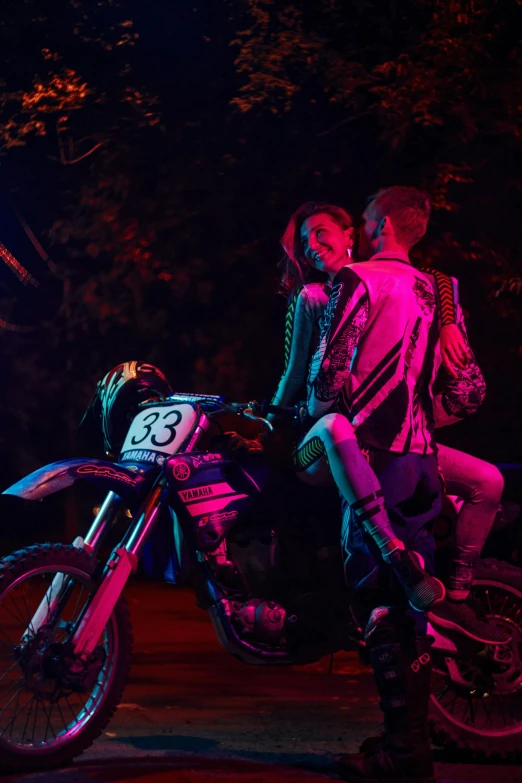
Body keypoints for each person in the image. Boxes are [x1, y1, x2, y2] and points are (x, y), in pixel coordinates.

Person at [290, 187, 494, 783]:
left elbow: (329, 373)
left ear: (375, 225)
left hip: (371, 455)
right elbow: (470, 391)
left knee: (379, 602)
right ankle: (409, 746)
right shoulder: (442, 290)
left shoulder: (359, 281)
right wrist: (425, 419)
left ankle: (403, 755)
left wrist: (319, 409)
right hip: (422, 461)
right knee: (412, 610)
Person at [273, 200, 509, 646]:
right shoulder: (315, 296)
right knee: (336, 429)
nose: (311, 246)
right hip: (335, 438)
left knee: (486, 479)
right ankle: (394, 561)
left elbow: (330, 374)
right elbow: (296, 373)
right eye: (304, 241)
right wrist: (275, 418)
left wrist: (416, 412)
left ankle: (449, 590)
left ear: (353, 234)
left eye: (322, 232)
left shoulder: (377, 282)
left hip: (385, 441)